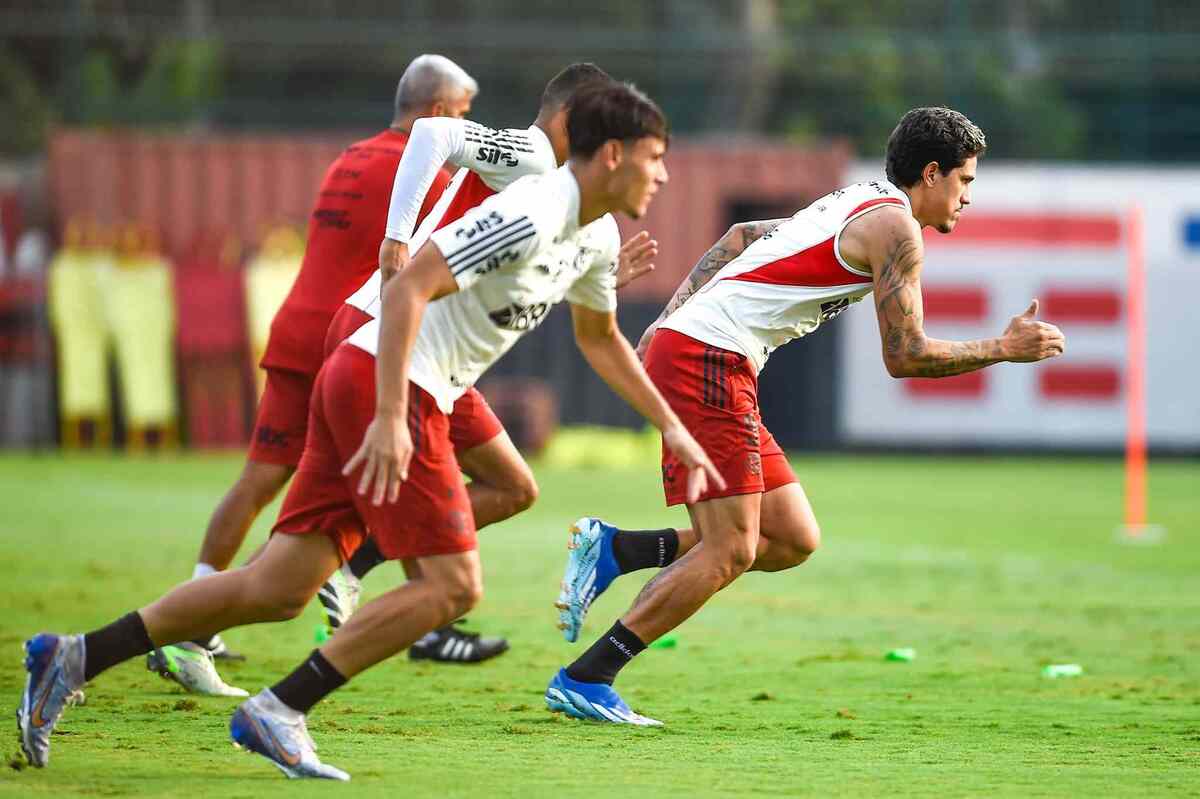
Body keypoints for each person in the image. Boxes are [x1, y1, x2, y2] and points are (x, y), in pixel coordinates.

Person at [18, 82, 722, 780]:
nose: (663, 174)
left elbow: (600, 339)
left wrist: (673, 426)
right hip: (387, 382)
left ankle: (75, 654)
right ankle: (280, 708)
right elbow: (409, 285)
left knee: (277, 587)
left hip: (384, 384)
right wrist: (389, 415)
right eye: (655, 157)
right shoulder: (533, 208)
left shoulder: (597, 237)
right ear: (612, 154)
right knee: (452, 587)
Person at [547, 106, 1067, 725]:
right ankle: (588, 676)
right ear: (933, 173)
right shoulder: (897, 231)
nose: (968, 197)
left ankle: (619, 549)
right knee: (732, 548)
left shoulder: (859, 198)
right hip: (706, 361)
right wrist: (1003, 349)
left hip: (707, 355)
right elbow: (907, 356)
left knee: (791, 538)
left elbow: (739, 237)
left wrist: (665, 322)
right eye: (966, 181)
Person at [316, 62, 659, 664]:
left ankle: (396, 601)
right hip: (390, 335)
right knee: (310, 535)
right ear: (575, 119)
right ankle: (351, 598)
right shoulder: (534, 154)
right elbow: (432, 134)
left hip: (419, 349)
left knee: (510, 487)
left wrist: (587, 278)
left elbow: (513, 292)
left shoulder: (563, 198)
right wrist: (396, 238)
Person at [171, 55, 474, 681]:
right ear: (441, 115)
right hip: (351, 338)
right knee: (425, 469)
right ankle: (423, 612)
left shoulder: (351, 156)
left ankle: (194, 619)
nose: (469, 133)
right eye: (465, 118)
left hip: (297, 324)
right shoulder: (419, 170)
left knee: (262, 477)